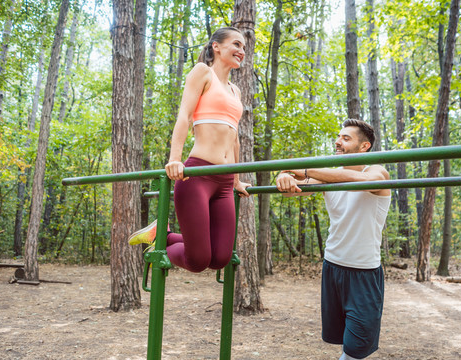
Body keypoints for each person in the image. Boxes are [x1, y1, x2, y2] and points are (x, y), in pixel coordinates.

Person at [129, 27, 251, 273]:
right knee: (197, 260)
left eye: (244, 48)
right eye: (236, 44)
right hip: (197, 175)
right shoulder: (202, 72)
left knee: (220, 258)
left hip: (225, 181)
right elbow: (184, 116)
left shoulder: (235, 91)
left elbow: (234, 138)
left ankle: (160, 235)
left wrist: (237, 180)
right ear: (216, 46)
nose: (242, 51)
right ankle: (160, 241)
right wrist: (174, 159)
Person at [275, 119, 391, 360]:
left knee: (356, 349)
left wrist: (305, 168)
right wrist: (283, 176)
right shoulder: (331, 175)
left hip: (364, 272)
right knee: (344, 342)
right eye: (338, 137)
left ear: (364, 147)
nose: (338, 142)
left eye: (346, 138)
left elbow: (368, 183)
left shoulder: (377, 171)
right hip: (333, 267)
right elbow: (297, 184)